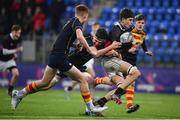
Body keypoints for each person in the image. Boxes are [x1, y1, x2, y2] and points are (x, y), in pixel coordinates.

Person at [11, 4, 107, 113]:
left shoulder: (70, 22)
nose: (86, 20)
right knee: (83, 80)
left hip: (54, 55)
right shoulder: (77, 23)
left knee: (44, 83)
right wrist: (89, 49)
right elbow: (80, 37)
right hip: (61, 57)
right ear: (85, 16)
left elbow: (64, 40)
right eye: (87, 17)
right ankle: (91, 108)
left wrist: (76, 45)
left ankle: (19, 95)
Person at [94, 8, 141, 113]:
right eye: (129, 20)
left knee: (123, 86)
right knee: (135, 73)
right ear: (123, 19)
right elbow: (107, 48)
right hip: (109, 60)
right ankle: (116, 94)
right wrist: (113, 51)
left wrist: (134, 43)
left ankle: (99, 102)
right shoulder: (116, 29)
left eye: (132, 20)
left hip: (114, 60)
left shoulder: (129, 28)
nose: (131, 22)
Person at [64, 22, 100, 94]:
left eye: (97, 27)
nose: (96, 28)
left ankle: (70, 87)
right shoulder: (87, 35)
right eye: (95, 26)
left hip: (89, 58)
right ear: (92, 27)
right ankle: (91, 96)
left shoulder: (98, 37)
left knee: (82, 76)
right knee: (91, 77)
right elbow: (79, 44)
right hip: (84, 57)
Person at [0, 24, 23, 96]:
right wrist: (16, 50)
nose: (19, 35)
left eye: (20, 33)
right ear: (13, 32)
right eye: (18, 33)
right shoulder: (6, 38)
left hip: (10, 60)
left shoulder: (18, 38)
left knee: (16, 74)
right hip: (1, 60)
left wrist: (15, 55)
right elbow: (4, 52)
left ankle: (9, 92)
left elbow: (13, 48)